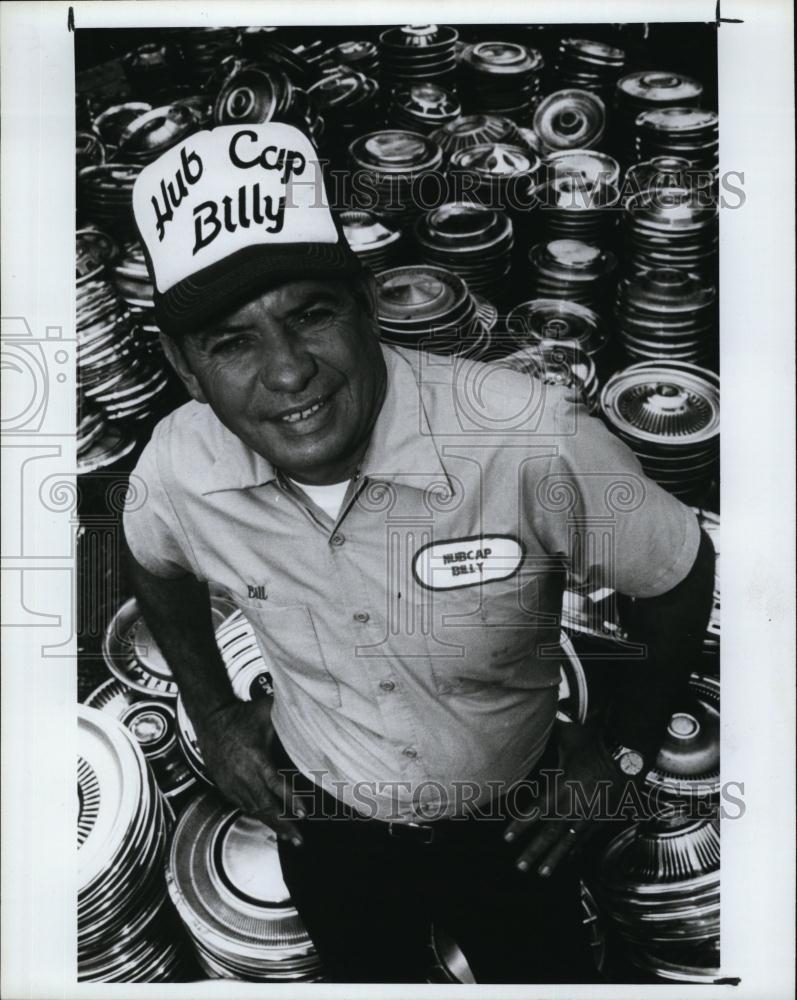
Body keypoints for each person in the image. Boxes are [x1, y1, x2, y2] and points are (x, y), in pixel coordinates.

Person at [123, 123, 715, 983]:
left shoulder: (530, 440)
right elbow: (152, 563)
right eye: (232, 341)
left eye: (310, 315)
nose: (288, 373)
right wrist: (213, 715)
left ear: (365, 306)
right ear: (185, 366)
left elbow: (679, 571)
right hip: (322, 822)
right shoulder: (176, 468)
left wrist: (617, 752)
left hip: (519, 820)